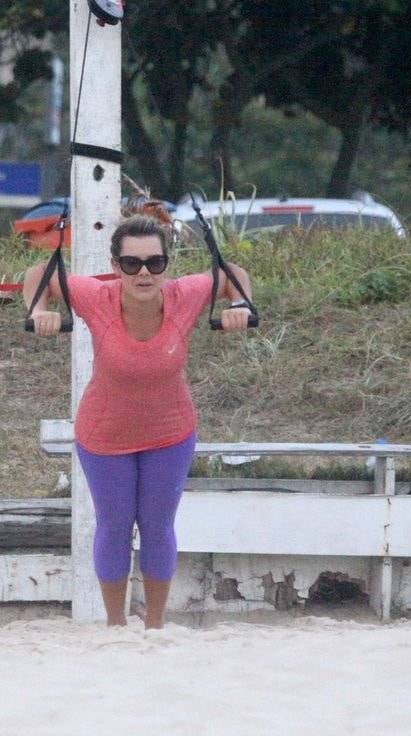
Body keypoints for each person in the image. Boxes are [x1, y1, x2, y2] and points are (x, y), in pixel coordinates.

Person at [24, 215, 252, 628]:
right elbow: (40, 274)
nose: (144, 273)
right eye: (132, 264)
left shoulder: (186, 295)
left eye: (154, 263)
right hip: (105, 435)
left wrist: (238, 304)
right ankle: (116, 625)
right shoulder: (96, 296)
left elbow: (231, 273)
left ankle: (155, 627)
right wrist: (39, 310)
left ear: (167, 264)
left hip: (170, 432)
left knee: (157, 526)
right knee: (114, 527)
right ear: (115, 267)